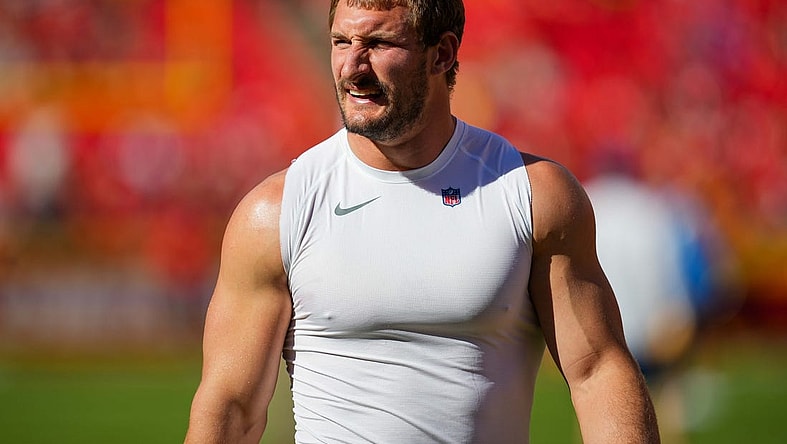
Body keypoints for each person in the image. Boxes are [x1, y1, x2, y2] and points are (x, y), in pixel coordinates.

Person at [185, 1, 659, 443]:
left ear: (442, 53)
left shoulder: (533, 194)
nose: (352, 67)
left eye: (378, 44)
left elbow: (597, 371)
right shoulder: (276, 211)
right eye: (340, 42)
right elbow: (232, 404)